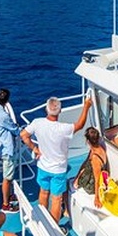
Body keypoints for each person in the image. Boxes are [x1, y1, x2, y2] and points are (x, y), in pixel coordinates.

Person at [20, 94, 92, 222]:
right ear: (59, 111)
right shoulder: (63, 129)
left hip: (42, 166)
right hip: (58, 170)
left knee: (43, 193)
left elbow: (24, 135)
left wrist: (35, 149)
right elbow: (80, 125)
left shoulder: (37, 123)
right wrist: (86, 106)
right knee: (56, 198)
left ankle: (42, 221)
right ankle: (53, 227)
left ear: (47, 110)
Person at [0, 89, 19, 213]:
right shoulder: (4, 116)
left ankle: (8, 197)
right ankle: (6, 204)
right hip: (7, 150)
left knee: (8, 175)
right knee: (7, 178)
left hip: (0, 145)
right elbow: (15, 129)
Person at [73, 127, 109, 209]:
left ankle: (65, 210)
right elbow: (85, 162)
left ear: (88, 141)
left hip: (91, 185)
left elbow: (97, 180)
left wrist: (97, 198)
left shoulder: (95, 158)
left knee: (66, 186)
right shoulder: (96, 149)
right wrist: (77, 177)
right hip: (88, 176)